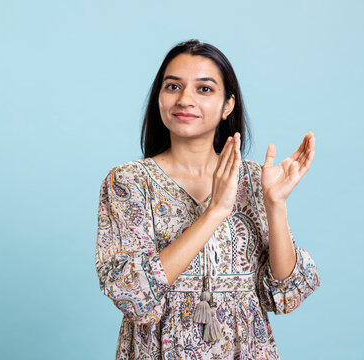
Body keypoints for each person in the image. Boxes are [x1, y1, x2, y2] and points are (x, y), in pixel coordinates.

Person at [95, 39, 321, 359]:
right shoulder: (128, 182)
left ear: (228, 104)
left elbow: (285, 292)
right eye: (173, 86)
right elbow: (133, 293)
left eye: (204, 89)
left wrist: (275, 204)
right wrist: (215, 212)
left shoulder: (256, 180)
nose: (185, 99)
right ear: (159, 97)